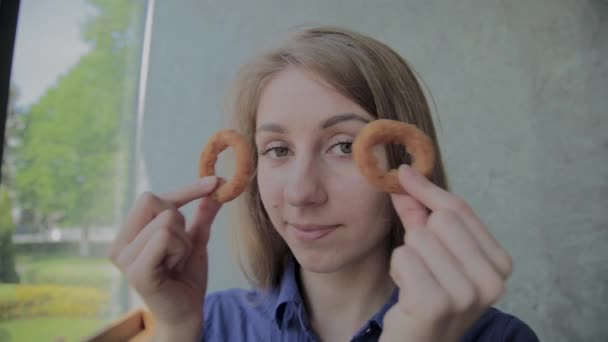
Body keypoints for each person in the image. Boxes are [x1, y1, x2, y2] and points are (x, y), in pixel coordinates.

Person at [109, 26, 539, 341]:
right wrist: (176, 328)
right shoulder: (209, 323)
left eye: (344, 147)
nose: (300, 192)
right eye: (278, 150)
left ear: (403, 159)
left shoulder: (500, 339)